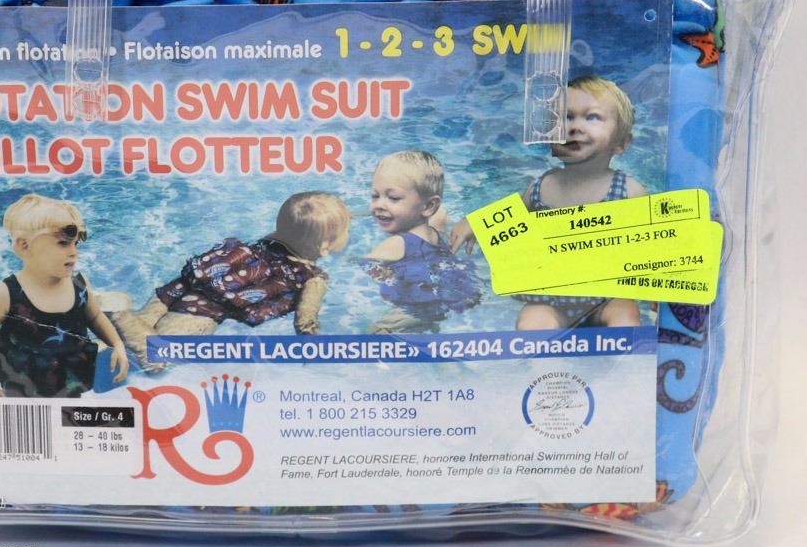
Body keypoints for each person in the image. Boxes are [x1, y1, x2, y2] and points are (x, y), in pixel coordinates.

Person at [451, 75, 646, 329]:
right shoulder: (540, 188)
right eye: (566, 117)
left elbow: (653, 246)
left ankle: (623, 354)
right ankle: (542, 354)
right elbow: (511, 222)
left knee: (625, 316)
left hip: (607, 297)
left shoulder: (628, 191)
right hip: (551, 300)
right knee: (531, 322)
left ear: (621, 143)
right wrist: (478, 224)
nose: (575, 127)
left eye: (592, 117)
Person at [113, 192, 350, 368]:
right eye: (345, 232)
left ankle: (112, 321)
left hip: (177, 287)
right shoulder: (313, 279)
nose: (347, 235)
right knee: (159, 358)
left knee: (131, 332)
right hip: (202, 311)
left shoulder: (267, 243)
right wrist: (311, 348)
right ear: (324, 247)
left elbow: (300, 229)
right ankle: (115, 313)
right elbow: (305, 320)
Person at [0, 194, 128, 397]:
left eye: (76, 244)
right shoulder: (8, 292)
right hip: (22, 386)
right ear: (24, 246)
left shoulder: (79, 285)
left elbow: (95, 317)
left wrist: (117, 344)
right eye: (63, 243)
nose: (74, 252)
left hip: (68, 382)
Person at [365, 151, 481, 334]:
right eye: (375, 196)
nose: (379, 205)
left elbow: (367, 267)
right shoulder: (435, 233)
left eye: (393, 198)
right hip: (458, 295)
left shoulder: (395, 244)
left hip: (418, 307)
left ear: (428, 206)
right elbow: (440, 215)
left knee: (373, 333)